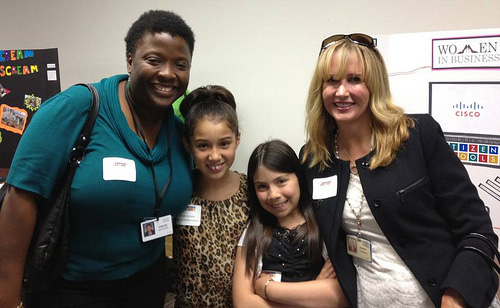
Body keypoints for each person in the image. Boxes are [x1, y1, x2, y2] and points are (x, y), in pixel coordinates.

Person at [0, 10, 195, 308]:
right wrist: (7, 297)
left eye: (180, 64)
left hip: (147, 285)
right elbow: (20, 199)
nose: (168, 73)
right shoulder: (78, 108)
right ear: (130, 60)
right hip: (70, 289)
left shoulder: (181, 132)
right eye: (154, 60)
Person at [300, 33, 499, 308]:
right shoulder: (314, 159)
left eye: (354, 79)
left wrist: (456, 297)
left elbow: (477, 230)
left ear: (374, 85)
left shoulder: (417, 137)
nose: (342, 91)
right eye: (332, 81)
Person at [232, 139, 347, 308]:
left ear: (298, 177)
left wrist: (267, 289)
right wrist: (315, 294)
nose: (274, 194)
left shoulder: (322, 223)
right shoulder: (254, 232)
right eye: (262, 187)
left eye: (281, 181)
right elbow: (243, 303)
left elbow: (340, 295)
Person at [173, 85, 249, 307]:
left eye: (224, 143)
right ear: (188, 145)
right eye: (203, 146)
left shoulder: (252, 191)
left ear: (237, 139)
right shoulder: (179, 190)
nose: (215, 156)